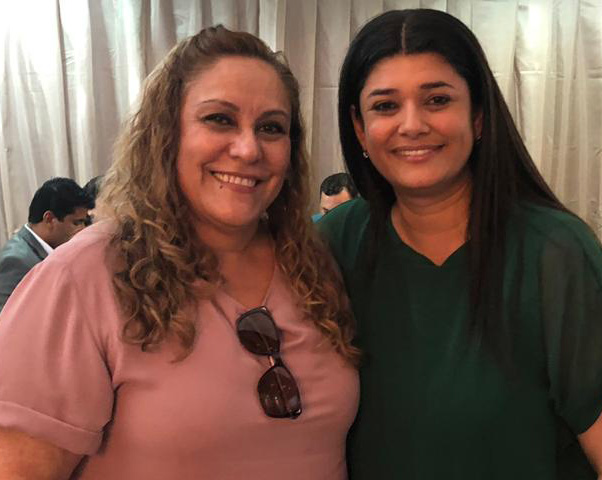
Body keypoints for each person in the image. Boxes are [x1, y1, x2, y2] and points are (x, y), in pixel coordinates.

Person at [0, 26, 358, 479]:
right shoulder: (85, 276)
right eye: (220, 119)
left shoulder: (312, 264)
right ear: (166, 135)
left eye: (271, 127)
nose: (248, 148)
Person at [319, 8, 602, 480]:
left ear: (479, 115)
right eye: (386, 106)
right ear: (359, 127)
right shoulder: (333, 243)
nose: (412, 124)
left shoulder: (554, 252)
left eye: (437, 100)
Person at [0, 177, 93, 312]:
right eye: (76, 223)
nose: (83, 229)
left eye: (85, 222)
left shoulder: (53, 250)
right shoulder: (15, 260)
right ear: (49, 219)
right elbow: (6, 320)